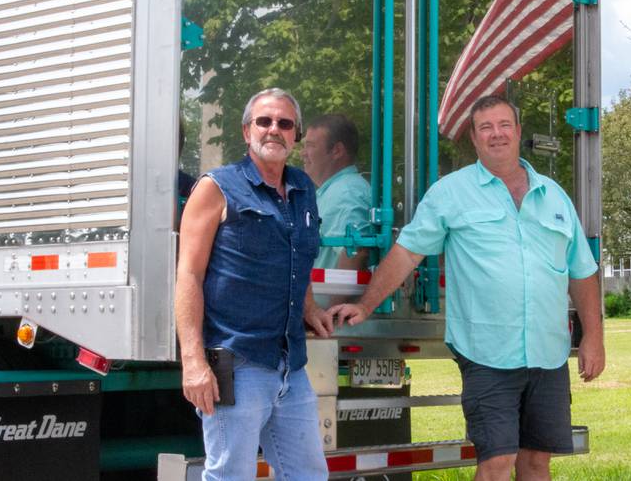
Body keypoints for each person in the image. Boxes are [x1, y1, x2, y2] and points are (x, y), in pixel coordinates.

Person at [330, 95, 605, 481]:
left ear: (518, 131)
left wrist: (594, 336)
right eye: (486, 128)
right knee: (496, 462)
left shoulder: (554, 196)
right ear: (474, 139)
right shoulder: (451, 193)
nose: (497, 134)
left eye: (504, 125)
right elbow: (407, 252)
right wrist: (366, 305)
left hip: (547, 353)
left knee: (537, 462)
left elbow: (582, 272)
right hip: (488, 353)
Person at [175, 88, 332, 480]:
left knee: (310, 475)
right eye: (264, 121)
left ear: (295, 135)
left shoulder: (303, 189)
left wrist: (309, 306)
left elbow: (299, 255)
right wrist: (193, 361)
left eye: (284, 123)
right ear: (247, 132)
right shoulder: (216, 188)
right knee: (230, 475)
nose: (273, 129)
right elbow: (189, 275)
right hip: (236, 360)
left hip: (290, 365)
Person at [301, 114, 372, 304]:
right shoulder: (333, 190)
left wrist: (331, 317)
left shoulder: (346, 193)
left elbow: (354, 252)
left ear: (337, 151)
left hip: (327, 322)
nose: (303, 153)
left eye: (310, 145)